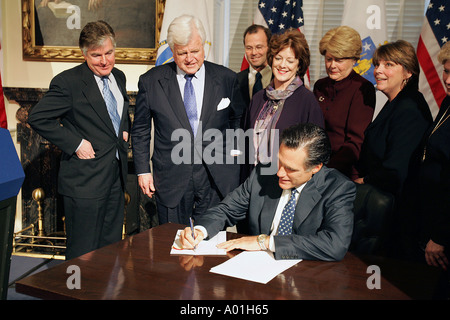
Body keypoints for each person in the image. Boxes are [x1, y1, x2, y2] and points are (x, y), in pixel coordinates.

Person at [180, 123, 356, 261]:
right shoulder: (262, 174)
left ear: (316, 168)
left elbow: (335, 245)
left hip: (307, 278)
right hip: (256, 272)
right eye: (279, 162)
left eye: (291, 169)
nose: (279, 173)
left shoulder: (338, 189)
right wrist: (201, 230)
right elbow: (225, 210)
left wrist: (264, 242)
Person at [27, 21, 130, 260]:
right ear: (84, 54)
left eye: (109, 53)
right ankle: (75, 293)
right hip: (84, 183)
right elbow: (38, 117)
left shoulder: (120, 77)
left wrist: (124, 130)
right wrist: (75, 143)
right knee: (82, 254)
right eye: (96, 55)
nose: (104, 61)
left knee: (110, 249)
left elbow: (119, 112)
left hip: (115, 179)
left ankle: (104, 295)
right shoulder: (68, 83)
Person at [131, 15, 245, 226]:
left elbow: (237, 119)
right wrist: (143, 171)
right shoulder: (151, 81)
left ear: (204, 46)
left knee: (212, 246)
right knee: (173, 243)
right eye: (182, 53)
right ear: (172, 52)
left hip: (216, 176)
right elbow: (140, 130)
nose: (190, 58)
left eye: (195, 51)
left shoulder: (226, 78)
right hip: (171, 177)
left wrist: (235, 155)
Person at [242, 28, 324, 180]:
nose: (282, 65)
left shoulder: (307, 101)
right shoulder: (259, 98)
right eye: (278, 58)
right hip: (253, 182)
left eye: (290, 60)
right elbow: (246, 145)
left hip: (287, 184)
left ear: (299, 65)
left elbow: (315, 153)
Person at [355, 40, 432, 198]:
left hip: (396, 207)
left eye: (388, 64)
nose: (378, 71)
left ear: (408, 72)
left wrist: (363, 181)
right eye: (377, 64)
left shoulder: (410, 109)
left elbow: (397, 170)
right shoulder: (397, 103)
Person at [314, 26, 375, 180]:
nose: (332, 65)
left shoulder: (362, 88)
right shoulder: (320, 86)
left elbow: (355, 144)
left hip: (344, 174)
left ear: (354, 60)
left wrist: (324, 172)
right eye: (329, 59)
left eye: (339, 60)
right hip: (315, 167)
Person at [237, 24, 272, 109]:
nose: (254, 52)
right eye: (249, 48)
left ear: (269, 47)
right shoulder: (236, 81)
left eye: (259, 47)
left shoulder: (280, 79)